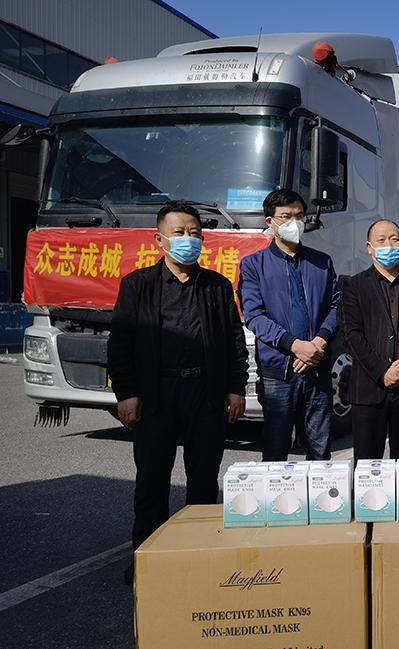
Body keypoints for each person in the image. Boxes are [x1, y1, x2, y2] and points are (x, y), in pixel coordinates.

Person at [107, 203, 248, 583]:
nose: (189, 240)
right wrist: (126, 393)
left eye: (195, 233)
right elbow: (120, 344)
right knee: (152, 481)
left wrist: (236, 388)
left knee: (203, 480)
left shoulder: (217, 286)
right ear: (160, 239)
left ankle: (198, 557)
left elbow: (234, 342)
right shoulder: (137, 285)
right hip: (156, 394)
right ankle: (147, 561)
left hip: (206, 393)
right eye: (180, 233)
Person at [238, 189, 339, 462]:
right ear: (270, 221)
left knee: (320, 451)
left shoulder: (322, 262)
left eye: (299, 216)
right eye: (286, 216)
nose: (294, 222)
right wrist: (295, 346)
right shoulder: (253, 265)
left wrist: (317, 344)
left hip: (317, 367)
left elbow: (336, 306)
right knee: (275, 451)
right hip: (278, 373)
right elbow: (255, 316)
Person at [338, 219, 399, 461]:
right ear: (369, 247)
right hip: (368, 390)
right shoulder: (353, 285)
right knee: (367, 466)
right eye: (381, 240)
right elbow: (351, 334)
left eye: (394, 240)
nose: (389, 245)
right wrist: (382, 370)